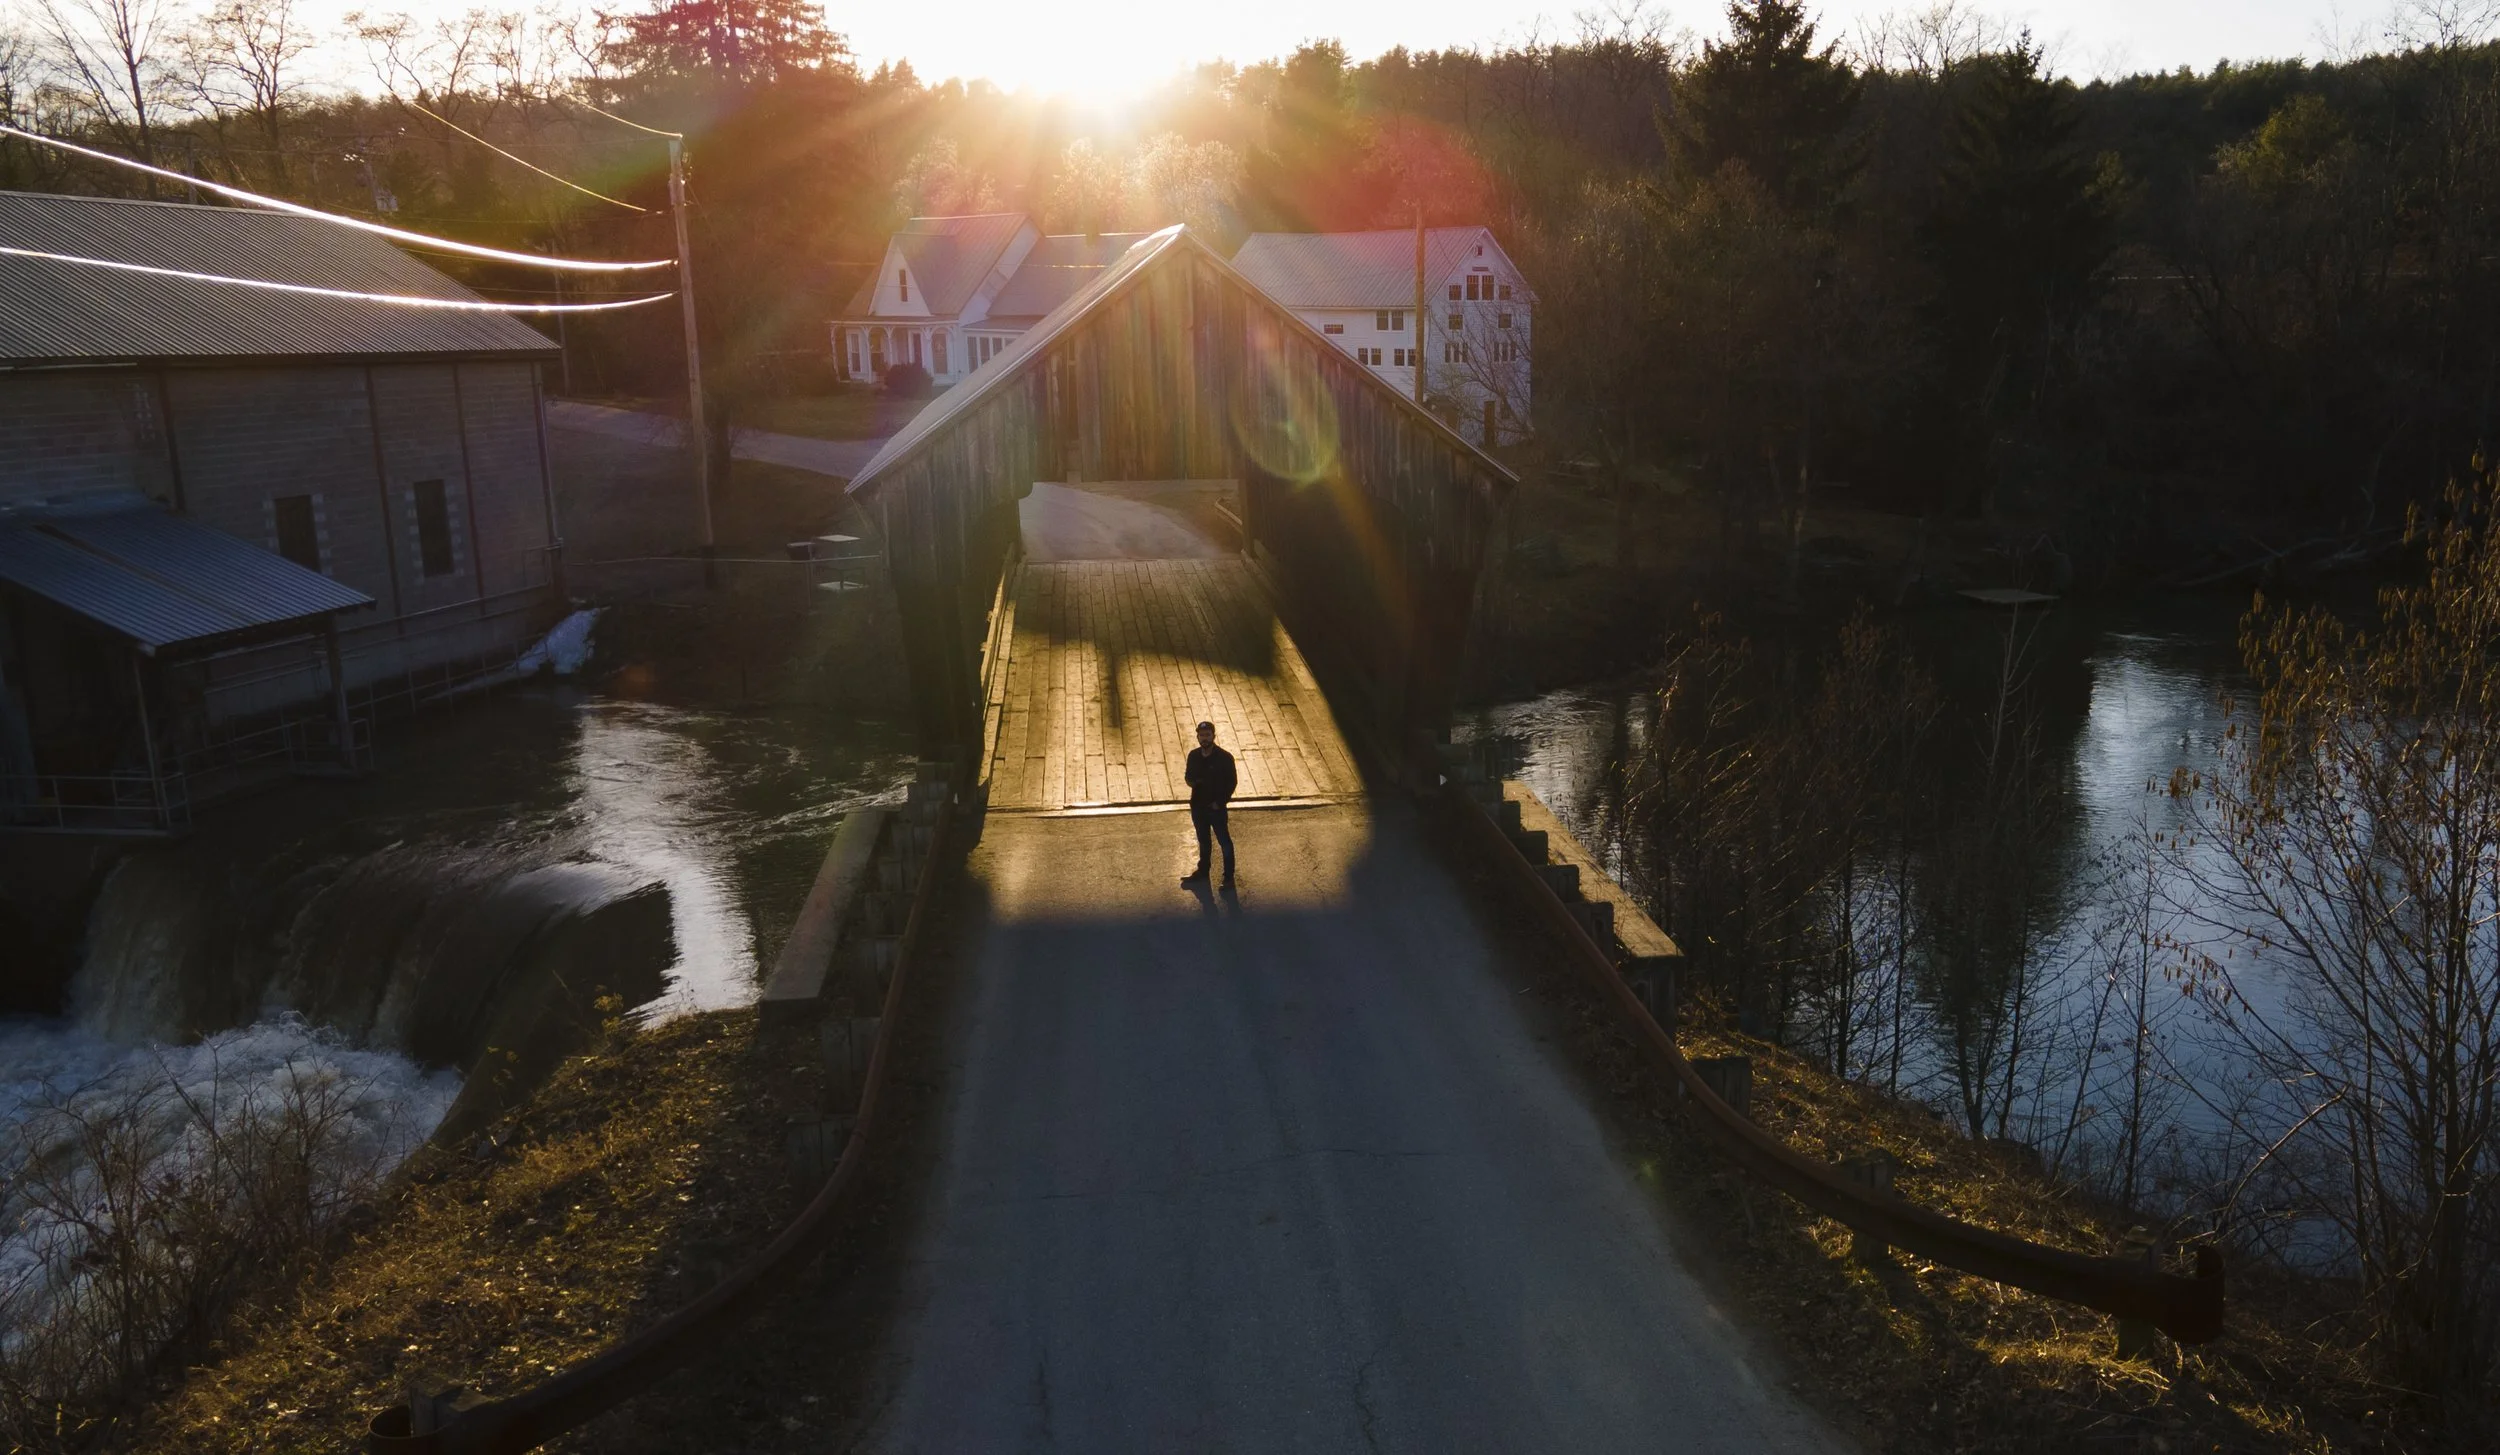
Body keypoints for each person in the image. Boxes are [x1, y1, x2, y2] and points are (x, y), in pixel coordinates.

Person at [1181, 719, 1236, 887]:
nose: (1204, 738)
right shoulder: (1193, 755)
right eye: (1201, 735)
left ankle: (1228, 878)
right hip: (1198, 807)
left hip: (1216, 809)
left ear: (1213, 736)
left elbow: (1231, 783)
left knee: (1224, 842)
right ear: (1197, 737)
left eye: (1207, 735)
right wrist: (1192, 781)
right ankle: (1203, 872)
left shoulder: (1225, 758)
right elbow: (1188, 778)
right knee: (1203, 841)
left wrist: (1219, 803)